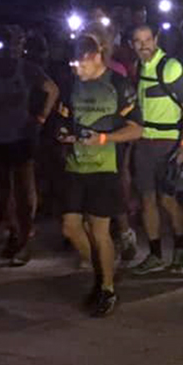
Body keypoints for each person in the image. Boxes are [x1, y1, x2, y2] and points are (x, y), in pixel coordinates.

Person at [59, 34, 143, 317]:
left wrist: (105, 138)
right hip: (74, 164)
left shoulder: (118, 84)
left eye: (80, 64)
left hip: (105, 167)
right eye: (72, 63)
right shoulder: (72, 84)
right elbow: (63, 116)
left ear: (95, 56)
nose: (76, 70)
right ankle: (101, 270)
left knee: (99, 230)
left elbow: (137, 128)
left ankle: (106, 286)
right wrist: (63, 133)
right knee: (70, 227)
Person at [0, 29, 59, 266]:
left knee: (24, 189)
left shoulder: (27, 69)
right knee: (3, 191)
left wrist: (40, 118)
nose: (11, 50)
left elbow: (52, 89)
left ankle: (25, 239)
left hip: (21, 136)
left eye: (16, 45)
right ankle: (14, 232)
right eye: (7, 44)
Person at [130, 24, 183, 274]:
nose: (144, 45)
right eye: (138, 40)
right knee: (148, 199)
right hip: (145, 140)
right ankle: (156, 253)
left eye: (148, 39)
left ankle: (180, 249)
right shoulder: (140, 68)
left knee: (167, 199)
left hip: (167, 141)